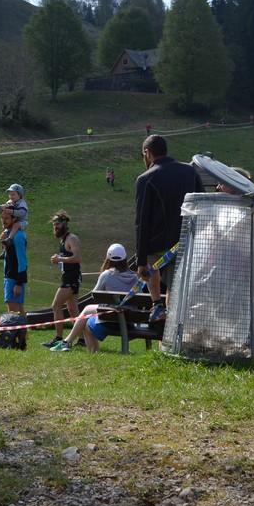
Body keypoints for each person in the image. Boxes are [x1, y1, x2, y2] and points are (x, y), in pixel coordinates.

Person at [136, 134, 204, 323]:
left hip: (157, 243)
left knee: (153, 267)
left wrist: (141, 261)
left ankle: (157, 305)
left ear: (147, 153)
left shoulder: (146, 179)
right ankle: (173, 318)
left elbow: (142, 221)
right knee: (175, 283)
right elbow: (202, 203)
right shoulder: (189, 172)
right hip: (186, 240)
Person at [51, 243, 139, 352]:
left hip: (110, 319)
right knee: (87, 311)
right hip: (130, 321)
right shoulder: (134, 277)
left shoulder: (107, 275)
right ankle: (67, 342)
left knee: (87, 322)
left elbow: (95, 295)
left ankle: (70, 344)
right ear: (125, 258)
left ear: (108, 258)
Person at [43, 210, 81, 346]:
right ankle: (82, 340)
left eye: (58, 224)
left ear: (64, 224)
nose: (56, 227)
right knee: (73, 310)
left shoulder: (72, 238)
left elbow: (77, 258)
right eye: (54, 225)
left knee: (56, 306)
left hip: (71, 279)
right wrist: (58, 259)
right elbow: (67, 259)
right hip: (68, 277)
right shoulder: (63, 240)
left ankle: (58, 339)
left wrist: (60, 259)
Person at [1, 208, 27, 314]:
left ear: (14, 219)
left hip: (14, 279)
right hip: (9, 277)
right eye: (2, 218)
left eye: (6, 218)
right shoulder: (9, 235)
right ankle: (24, 326)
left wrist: (19, 283)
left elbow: (22, 262)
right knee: (19, 313)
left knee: (13, 314)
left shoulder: (18, 236)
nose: (3, 221)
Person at [0, 184, 28, 259]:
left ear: (20, 195)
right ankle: (5, 251)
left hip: (22, 222)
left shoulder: (22, 204)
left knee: (15, 225)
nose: (11, 196)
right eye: (10, 194)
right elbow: (4, 206)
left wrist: (11, 211)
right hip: (13, 222)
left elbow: (21, 213)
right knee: (4, 234)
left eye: (13, 194)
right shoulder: (10, 202)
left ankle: (10, 239)